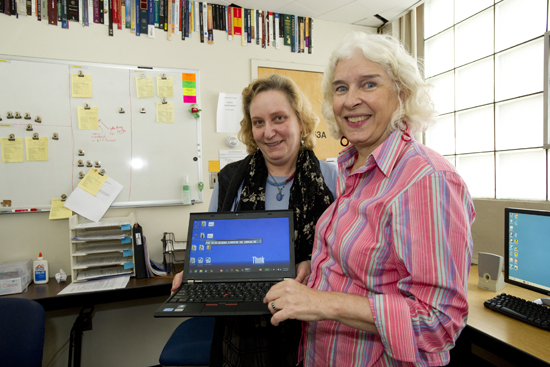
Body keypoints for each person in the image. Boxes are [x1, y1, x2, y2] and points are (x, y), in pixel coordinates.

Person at [264, 32, 476, 367]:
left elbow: (438, 322)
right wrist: (317, 271)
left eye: (369, 84)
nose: (350, 100)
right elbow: (363, 269)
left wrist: (323, 301)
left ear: (402, 95)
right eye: (341, 88)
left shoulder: (425, 179)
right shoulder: (354, 167)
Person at [171, 74, 338, 367]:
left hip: (312, 326)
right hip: (244, 332)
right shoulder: (230, 181)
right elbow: (213, 246)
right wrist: (196, 273)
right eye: (258, 122)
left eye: (279, 118)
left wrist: (313, 262)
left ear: (300, 121)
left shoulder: (332, 179)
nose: (269, 131)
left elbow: (347, 254)